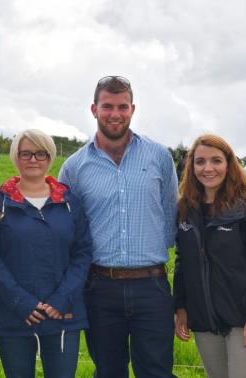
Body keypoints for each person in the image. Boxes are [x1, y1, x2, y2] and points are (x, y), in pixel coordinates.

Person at [58, 76, 178, 377]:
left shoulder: (159, 157)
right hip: (99, 287)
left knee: (156, 371)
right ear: (94, 109)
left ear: (133, 109)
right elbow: (66, 229)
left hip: (151, 285)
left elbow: (170, 213)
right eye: (107, 106)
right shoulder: (74, 167)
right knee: (108, 370)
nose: (115, 113)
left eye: (122, 106)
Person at [0, 129, 92, 378]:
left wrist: (61, 299)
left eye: (40, 153)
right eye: (26, 153)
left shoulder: (70, 203)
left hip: (63, 313)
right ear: (16, 157)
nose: (33, 160)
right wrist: (21, 302)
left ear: (50, 157)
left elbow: (83, 253)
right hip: (14, 314)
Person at [173, 134, 246, 378]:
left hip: (244, 321)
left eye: (216, 161)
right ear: (191, 167)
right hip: (204, 320)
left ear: (229, 164)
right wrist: (181, 306)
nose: (208, 168)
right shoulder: (186, 210)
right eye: (200, 162)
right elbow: (184, 260)